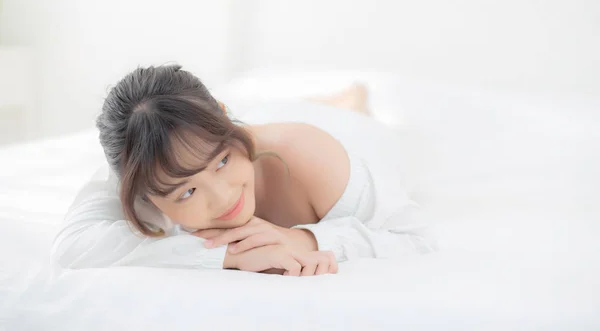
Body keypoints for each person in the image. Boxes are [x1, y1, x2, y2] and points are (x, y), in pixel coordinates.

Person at [51, 64, 435, 276]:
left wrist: (304, 240)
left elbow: (416, 237)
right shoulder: (145, 163)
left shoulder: (311, 157)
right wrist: (228, 255)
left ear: (222, 118)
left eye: (221, 162)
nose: (224, 198)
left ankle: (350, 102)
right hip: (255, 129)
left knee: (348, 115)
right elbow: (73, 245)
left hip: (358, 139)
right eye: (187, 192)